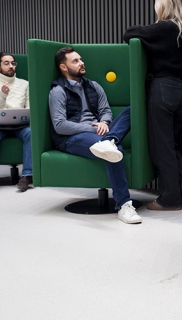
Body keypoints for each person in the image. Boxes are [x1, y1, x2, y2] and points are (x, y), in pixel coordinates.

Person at [48, 46, 141, 224]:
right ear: (63, 67)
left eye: (81, 59)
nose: (81, 63)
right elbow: (59, 125)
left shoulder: (94, 86)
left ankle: (110, 139)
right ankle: (124, 205)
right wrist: (93, 128)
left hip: (99, 132)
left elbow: (105, 111)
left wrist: (105, 123)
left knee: (131, 110)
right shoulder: (58, 91)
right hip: (72, 137)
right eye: (75, 61)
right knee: (114, 149)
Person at [123, 0, 182, 211]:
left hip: (162, 89)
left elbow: (129, 33)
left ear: (161, 5)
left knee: (161, 149)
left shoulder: (164, 27)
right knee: (171, 146)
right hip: (181, 91)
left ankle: (170, 199)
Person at [0, 53, 32, 192]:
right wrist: (2, 94)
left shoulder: (25, 84)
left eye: (13, 63)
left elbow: (29, 107)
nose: (11, 66)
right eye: (6, 63)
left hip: (20, 124)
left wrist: (24, 115)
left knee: (31, 133)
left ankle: (27, 176)